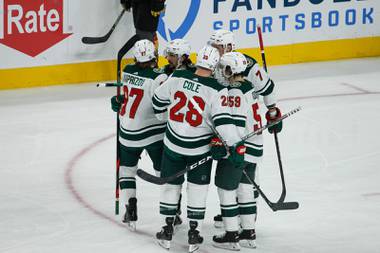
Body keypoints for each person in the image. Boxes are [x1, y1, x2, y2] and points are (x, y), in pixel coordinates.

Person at [152, 45, 244, 252]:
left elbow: (157, 100)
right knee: (197, 189)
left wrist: (163, 116)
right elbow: (223, 122)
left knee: (170, 186)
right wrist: (235, 145)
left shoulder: (176, 77)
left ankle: (166, 230)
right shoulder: (216, 89)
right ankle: (194, 233)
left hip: (172, 146)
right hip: (199, 150)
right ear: (214, 65)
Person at [208, 29, 283, 241]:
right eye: (213, 46)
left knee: (242, 178)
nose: (214, 50)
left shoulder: (247, 66)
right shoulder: (218, 64)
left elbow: (267, 88)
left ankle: (243, 216)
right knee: (243, 180)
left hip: (240, 132)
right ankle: (240, 216)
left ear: (229, 46)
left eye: (218, 46)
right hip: (241, 128)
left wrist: (272, 110)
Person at [111, 39, 168, 230]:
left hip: (127, 131)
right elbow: (163, 106)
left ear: (136, 57)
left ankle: (131, 209)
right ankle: (173, 213)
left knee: (126, 171)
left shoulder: (127, 70)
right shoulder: (159, 77)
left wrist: (118, 101)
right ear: (154, 56)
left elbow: (127, 97)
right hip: (153, 133)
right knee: (163, 172)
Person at [210, 52, 260, 250]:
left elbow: (234, 126)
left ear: (231, 70)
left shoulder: (233, 91)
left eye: (224, 68)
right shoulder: (251, 87)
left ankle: (231, 235)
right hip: (255, 147)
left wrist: (220, 142)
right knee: (245, 190)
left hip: (238, 149)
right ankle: (249, 233)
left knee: (226, 190)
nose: (221, 71)